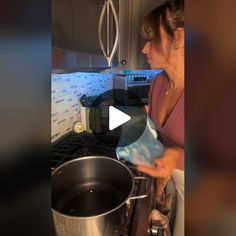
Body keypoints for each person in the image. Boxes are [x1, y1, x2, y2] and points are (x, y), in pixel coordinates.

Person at [136, 0, 184, 235]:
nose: (145, 49)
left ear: (178, 38)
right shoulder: (157, 83)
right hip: (172, 187)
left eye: (152, 38)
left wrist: (178, 154)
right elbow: (156, 133)